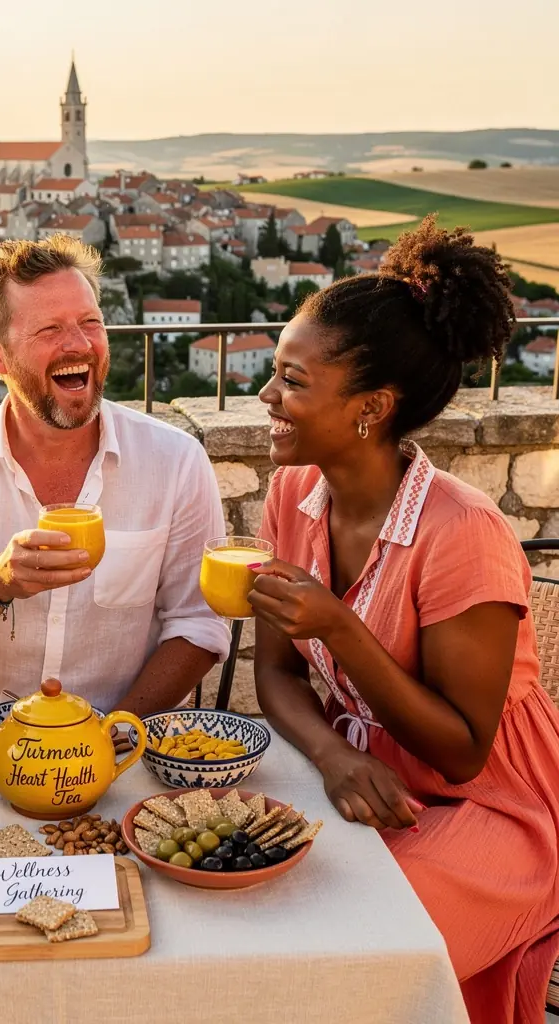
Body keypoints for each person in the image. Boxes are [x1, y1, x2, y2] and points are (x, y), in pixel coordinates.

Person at [250, 216, 559, 1023]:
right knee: (252, 913)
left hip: (491, 808)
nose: (266, 397)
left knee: (350, 958)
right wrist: (332, 755)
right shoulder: (292, 493)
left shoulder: (462, 535)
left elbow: (461, 752)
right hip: (365, 778)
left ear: (372, 407)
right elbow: (275, 674)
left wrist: (340, 629)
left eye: (291, 380)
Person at [0, 235, 229, 722]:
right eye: (50, 329)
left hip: (124, 728)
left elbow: (198, 626)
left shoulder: (176, 460)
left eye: (91, 322)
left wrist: (112, 733)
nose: (80, 344)